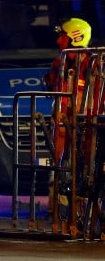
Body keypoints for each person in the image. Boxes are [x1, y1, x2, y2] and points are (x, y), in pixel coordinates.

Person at [44, 17, 93, 165]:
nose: (58, 41)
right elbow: (49, 86)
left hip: (87, 124)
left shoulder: (93, 63)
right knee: (57, 164)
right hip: (61, 121)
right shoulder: (60, 62)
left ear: (76, 38)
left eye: (62, 37)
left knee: (87, 164)